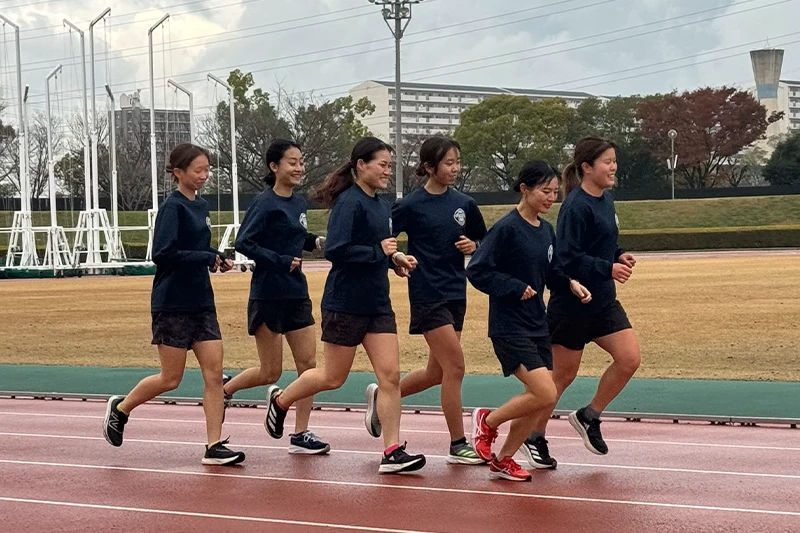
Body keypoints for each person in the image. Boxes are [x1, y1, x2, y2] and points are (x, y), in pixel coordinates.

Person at [263, 136, 426, 474]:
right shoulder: (349, 203)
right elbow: (335, 249)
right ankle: (281, 400)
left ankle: (392, 451)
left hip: (378, 304)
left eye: (389, 165)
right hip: (345, 303)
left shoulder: (382, 206)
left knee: (391, 376)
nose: (387, 171)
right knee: (332, 377)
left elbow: (376, 249)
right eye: (382, 164)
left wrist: (395, 259)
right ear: (361, 166)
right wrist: (377, 252)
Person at [102, 143, 245, 466]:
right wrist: (205, 256)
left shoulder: (202, 206)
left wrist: (214, 261)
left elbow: (197, 251)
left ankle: (213, 445)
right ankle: (121, 408)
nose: (204, 176)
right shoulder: (172, 208)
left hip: (202, 302)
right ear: (178, 172)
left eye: (207, 169)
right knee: (171, 378)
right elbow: (163, 254)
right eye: (198, 170)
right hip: (172, 303)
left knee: (214, 375)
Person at [364, 136, 486, 465]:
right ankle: (458, 443)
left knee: (436, 373)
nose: (455, 168)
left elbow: (484, 239)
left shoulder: (464, 204)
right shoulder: (410, 205)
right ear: (429, 167)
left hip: (456, 292)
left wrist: (474, 246)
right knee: (455, 368)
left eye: (458, 161)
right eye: (449, 163)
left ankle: (384, 399)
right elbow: (383, 239)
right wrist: (395, 259)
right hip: (427, 293)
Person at [467, 161, 592, 481]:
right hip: (509, 325)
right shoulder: (507, 228)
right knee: (545, 394)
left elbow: (551, 272)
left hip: (537, 323)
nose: (551, 198)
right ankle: (488, 420)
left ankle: (503, 458)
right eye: (545, 191)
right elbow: (478, 270)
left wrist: (569, 283)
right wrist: (512, 287)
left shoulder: (546, 230)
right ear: (525, 189)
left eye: (555, 192)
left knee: (536, 401)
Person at [527, 136, 640, 460]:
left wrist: (620, 255)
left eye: (614, 160)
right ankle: (533, 435)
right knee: (560, 377)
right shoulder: (575, 206)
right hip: (573, 303)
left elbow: (604, 244)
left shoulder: (607, 199)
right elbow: (568, 257)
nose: (613, 167)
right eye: (607, 161)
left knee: (629, 359)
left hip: (603, 300)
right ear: (587, 167)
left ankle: (589, 415)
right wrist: (608, 268)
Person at [222, 139, 329, 455]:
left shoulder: (298, 204)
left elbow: (295, 235)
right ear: (274, 167)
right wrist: (280, 260)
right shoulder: (265, 202)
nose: (299, 168)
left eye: (301, 161)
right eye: (292, 162)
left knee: (308, 366)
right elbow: (245, 242)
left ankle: (301, 433)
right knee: (270, 372)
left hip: (297, 292)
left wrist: (316, 240)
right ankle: (225, 389)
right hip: (268, 294)